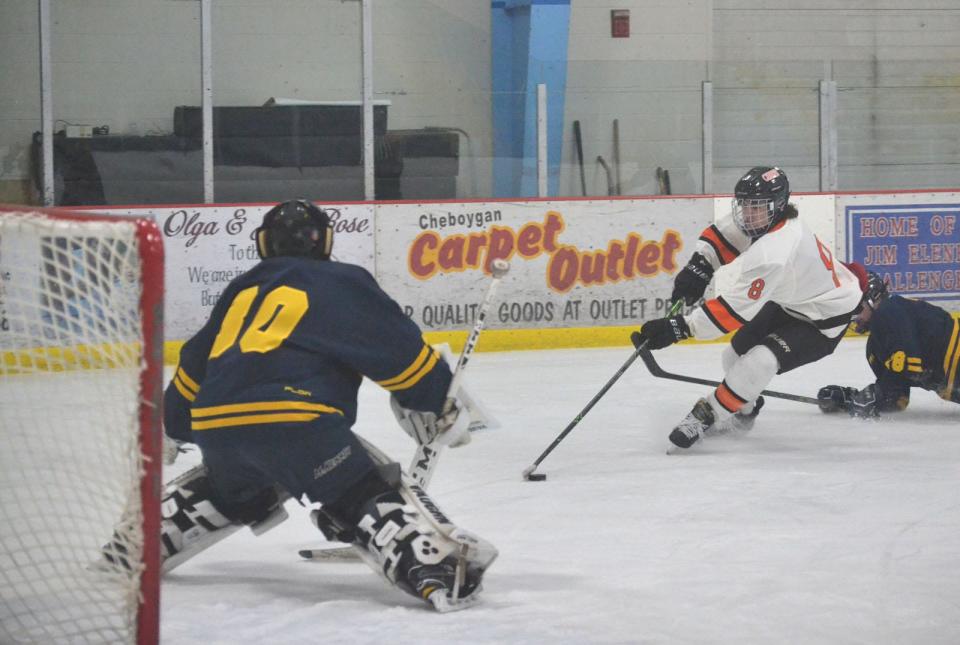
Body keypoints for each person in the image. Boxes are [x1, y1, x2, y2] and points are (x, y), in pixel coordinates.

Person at [155, 199, 496, 612]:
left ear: (264, 244)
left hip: (216, 426)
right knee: (356, 488)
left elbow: (194, 363)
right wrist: (437, 400)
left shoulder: (243, 288)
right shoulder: (340, 281)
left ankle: (161, 530)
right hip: (298, 426)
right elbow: (396, 350)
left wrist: (171, 424)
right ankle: (430, 566)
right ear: (325, 242)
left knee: (238, 484)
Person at [631, 166, 865, 449]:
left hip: (826, 317)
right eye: (744, 204)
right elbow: (724, 235)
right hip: (793, 302)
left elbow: (732, 312)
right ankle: (744, 410)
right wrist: (699, 268)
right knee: (733, 357)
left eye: (755, 207)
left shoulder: (775, 251)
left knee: (761, 360)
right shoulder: (766, 219)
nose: (747, 213)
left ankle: (708, 414)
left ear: (777, 206)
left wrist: (678, 328)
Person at [817, 271, 960, 416]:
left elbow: (909, 366)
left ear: (873, 298)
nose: (851, 315)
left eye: (855, 306)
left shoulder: (889, 309)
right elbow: (896, 399)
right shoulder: (874, 348)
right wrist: (852, 399)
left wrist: (875, 393)